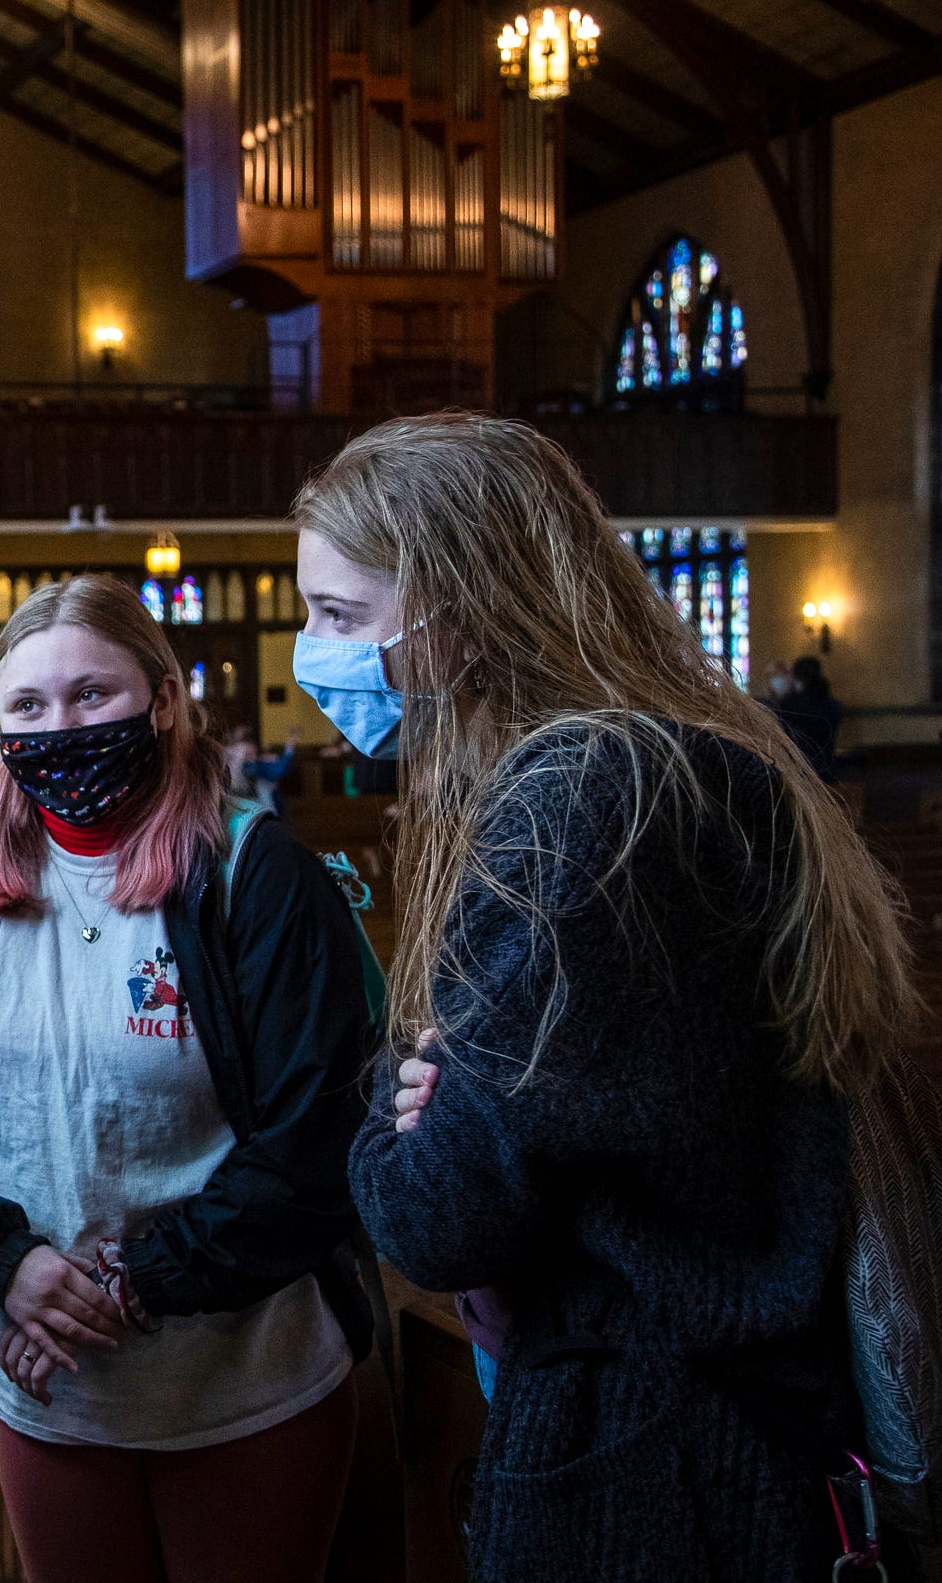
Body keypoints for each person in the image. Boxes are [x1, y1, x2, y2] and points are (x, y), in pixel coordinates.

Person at [311, 415, 917, 1582]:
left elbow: (435, 1217)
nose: (314, 649)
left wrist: (398, 1104)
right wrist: (445, 1093)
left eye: (341, 616)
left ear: (462, 600)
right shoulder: (665, 756)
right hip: (700, 1407)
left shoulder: (583, 798)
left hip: (650, 1445)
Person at [0, 575, 378, 1583]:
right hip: (49, 1378)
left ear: (164, 700)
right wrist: (4, 1262)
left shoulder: (253, 873)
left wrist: (130, 1284)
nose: (63, 726)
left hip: (240, 1372)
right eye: (29, 707)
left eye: (93, 695)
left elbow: (315, 1136)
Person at [775, 653, 844, 782]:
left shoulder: (789, 704)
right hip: (826, 772)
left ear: (796, 677)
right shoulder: (832, 705)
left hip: (798, 773)